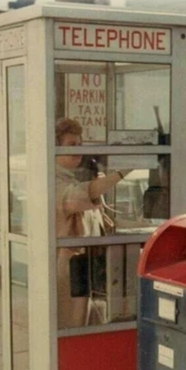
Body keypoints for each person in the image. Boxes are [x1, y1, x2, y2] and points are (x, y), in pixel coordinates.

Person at [55, 117, 130, 328]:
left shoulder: (72, 178)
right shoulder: (53, 183)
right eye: (71, 145)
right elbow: (78, 197)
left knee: (90, 324)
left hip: (89, 269)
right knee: (73, 324)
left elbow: (105, 221)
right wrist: (122, 172)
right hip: (70, 271)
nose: (77, 150)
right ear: (55, 148)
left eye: (80, 145)